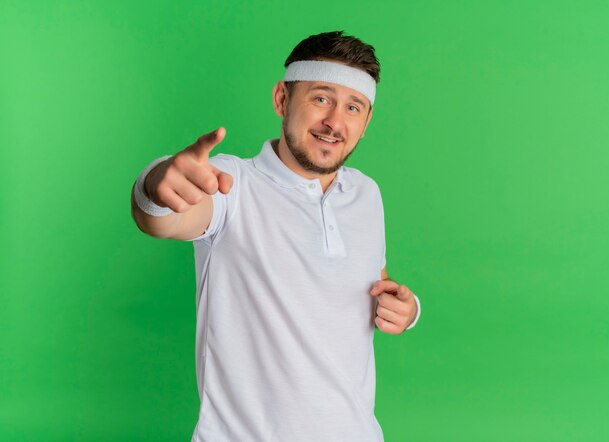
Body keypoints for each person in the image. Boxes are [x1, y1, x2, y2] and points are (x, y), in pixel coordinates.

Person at [131, 30, 421, 442]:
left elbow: (373, 283)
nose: (334, 122)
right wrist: (157, 184)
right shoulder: (231, 184)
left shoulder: (367, 194)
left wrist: (407, 311)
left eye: (353, 106)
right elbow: (159, 217)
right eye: (321, 98)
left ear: (366, 121)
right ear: (282, 100)